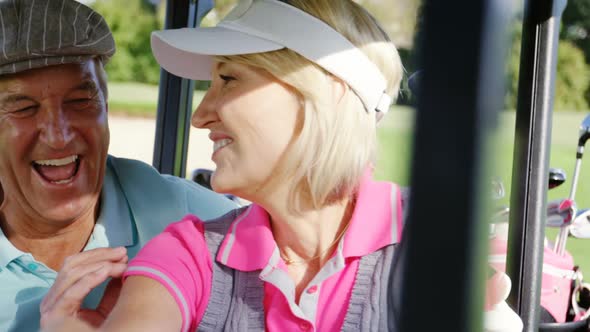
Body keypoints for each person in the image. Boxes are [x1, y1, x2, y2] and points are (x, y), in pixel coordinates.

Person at [42, 0, 522, 331]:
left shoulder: (439, 241)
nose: (200, 114)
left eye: (228, 79)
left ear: (322, 92)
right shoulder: (186, 253)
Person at [0, 1, 237, 331]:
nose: (58, 137)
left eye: (81, 101)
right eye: (24, 108)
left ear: (105, 107)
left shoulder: (203, 223)